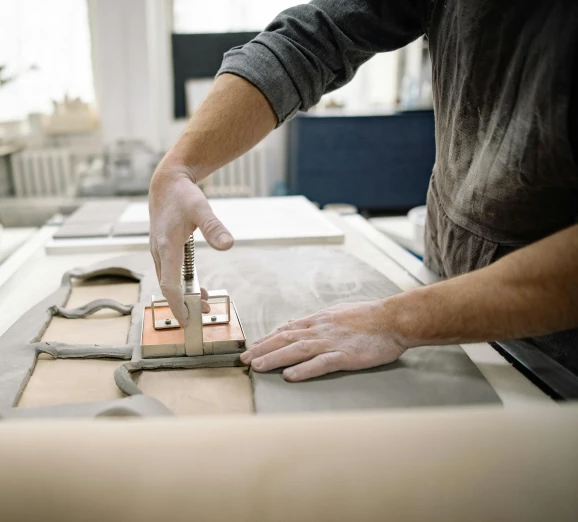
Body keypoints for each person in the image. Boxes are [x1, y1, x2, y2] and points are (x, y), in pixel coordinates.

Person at [148, 0, 578, 380]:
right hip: (442, 276)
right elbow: (313, 36)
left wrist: (397, 320)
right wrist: (180, 164)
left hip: (557, 350)